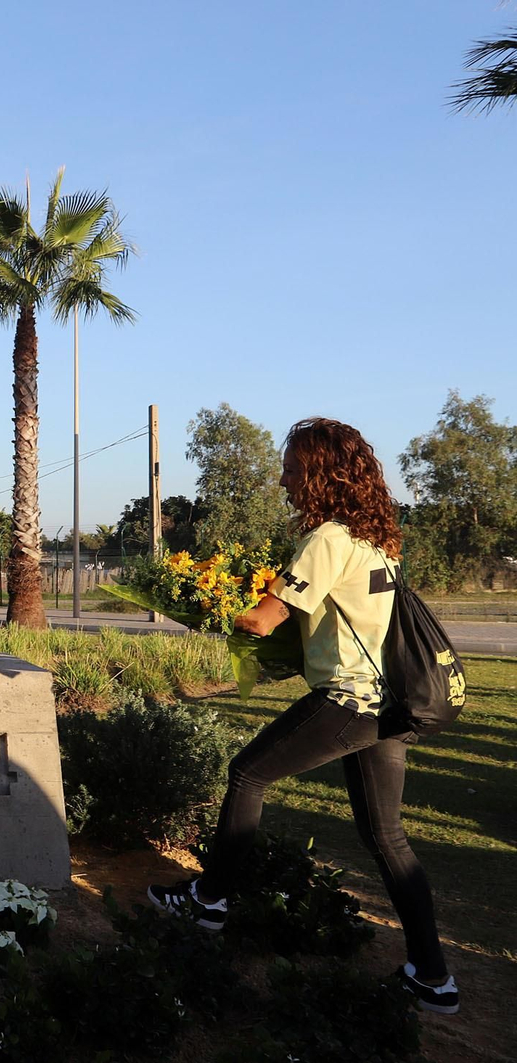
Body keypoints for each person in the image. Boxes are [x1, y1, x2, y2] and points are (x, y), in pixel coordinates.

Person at [148, 418, 458, 1015]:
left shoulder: (326, 539)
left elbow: (263, 619)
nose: (283, 477)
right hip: (388, 704)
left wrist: (201, 603)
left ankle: (209, 901)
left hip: (349, 701)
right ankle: (432, 975)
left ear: (320, 472)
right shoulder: (377, 539)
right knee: (386, 835)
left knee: (247, 773)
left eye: (292, 467)